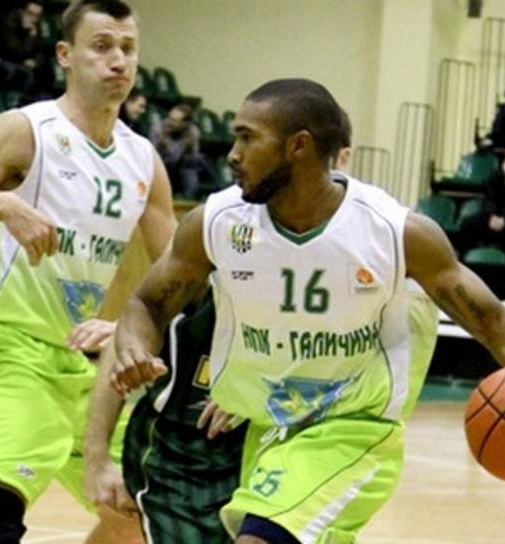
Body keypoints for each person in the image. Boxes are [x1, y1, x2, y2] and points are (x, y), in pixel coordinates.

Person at [100, 78, 505, 543]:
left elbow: (492, 321)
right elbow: (147, 302)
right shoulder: (219, 222)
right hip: (266, 426)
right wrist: (134, 348)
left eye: (248, 138)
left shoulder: (394, 233)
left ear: (298, 146)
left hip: (353, 429)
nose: (232, 153)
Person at [0, 1, 177, 542]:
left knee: (141, 512)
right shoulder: (24, 132)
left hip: (80, 362)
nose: (118, 60)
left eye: (128, 48)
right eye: (102, 46)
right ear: (65, 55)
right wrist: (1, 205)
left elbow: (178, 282)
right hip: (6, 347)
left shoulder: (144, 160)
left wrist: (128, 326)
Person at [84, 113, 368, 544]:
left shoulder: (351, 253)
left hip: (275, 440)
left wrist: (255, 389)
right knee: (122, 524)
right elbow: (139, 315)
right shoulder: (224, 233)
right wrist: (97, 455)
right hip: (185, 447)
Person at [151, 103, 209, 199]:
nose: (169, 122)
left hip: (181, 167)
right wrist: (163, 148)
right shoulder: (158, 129)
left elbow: (192, 161)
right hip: (162, 167)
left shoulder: (193, 132)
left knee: (191, 173)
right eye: (169, 118)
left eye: (174, 121)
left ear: (185, 124)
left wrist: (189, 150)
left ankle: (187, 202)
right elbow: (154, 159)